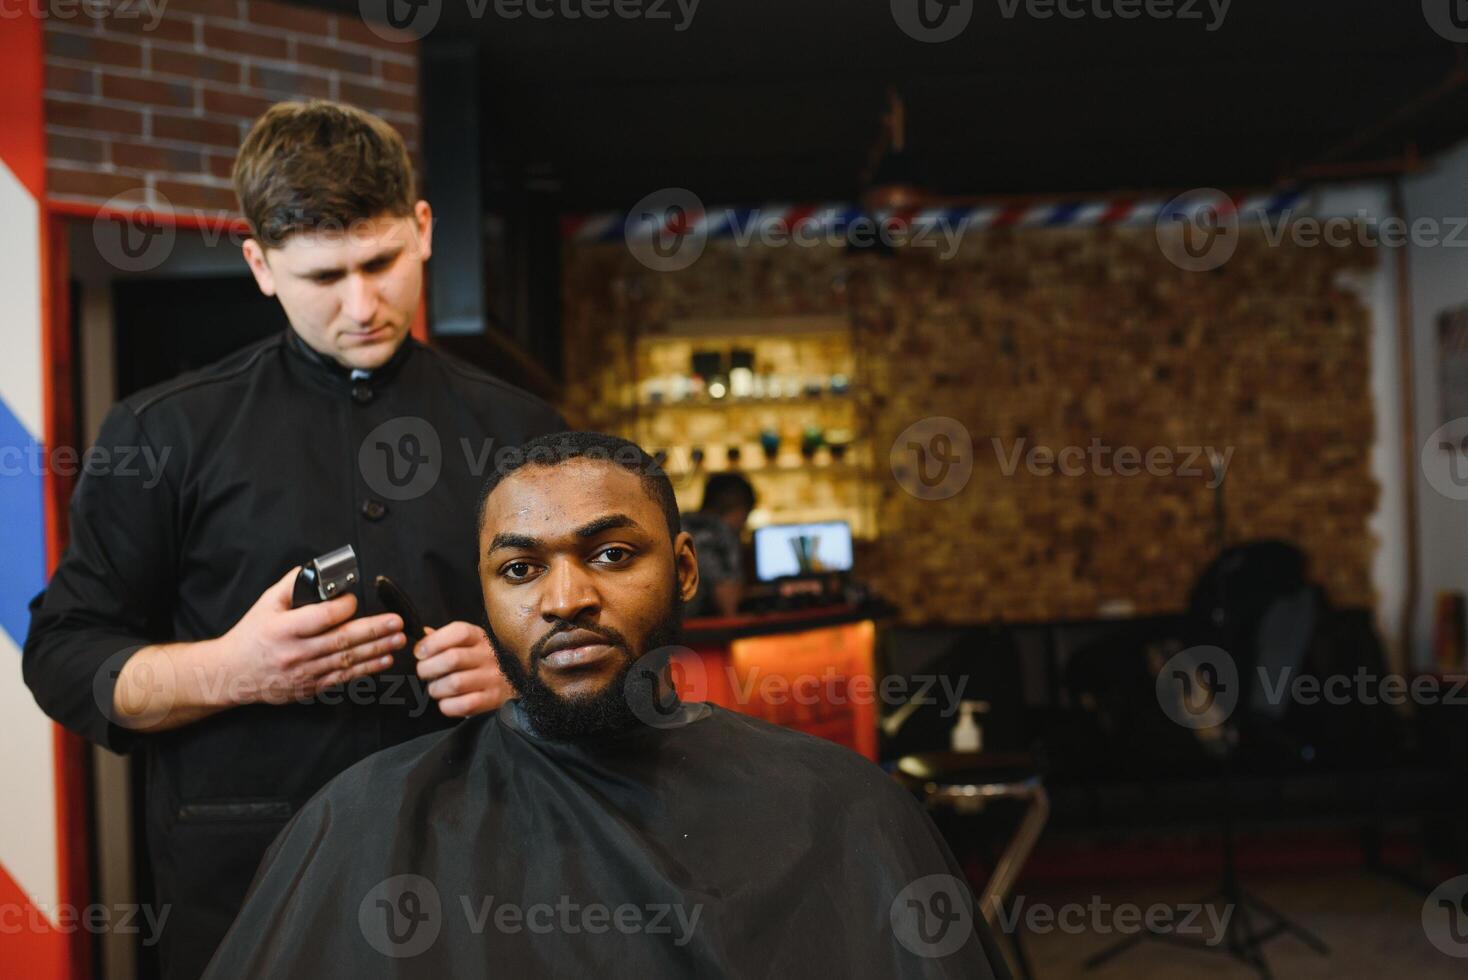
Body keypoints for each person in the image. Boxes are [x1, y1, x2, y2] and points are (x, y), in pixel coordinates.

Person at [22, 100, 563, 979]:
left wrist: (524, 675)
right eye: (322, 276)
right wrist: (233, 669)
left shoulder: (524, 429)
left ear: (423, 231)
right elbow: (61, 655)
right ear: (260, 266)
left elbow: (608, 639)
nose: (361, 305)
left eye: (382, 262)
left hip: (485, 872)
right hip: (244, 893)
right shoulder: (162, 433)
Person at [200, 432, 1009, 979]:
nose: (566, 598)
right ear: (483, 596)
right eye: (520, 571)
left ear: (685, 570)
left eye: (612, 555)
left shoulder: (842, 810)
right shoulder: (369, 821)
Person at [680, 471, 755, 616]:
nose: (744, 525)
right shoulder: (722, 535)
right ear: (740, 510)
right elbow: (729, 605)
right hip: (701, 633)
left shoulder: (680, 524)